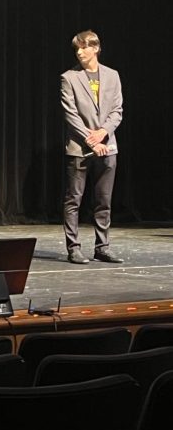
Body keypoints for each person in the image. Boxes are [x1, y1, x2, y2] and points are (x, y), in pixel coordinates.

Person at [61, 29, 124, 264]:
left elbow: (117, 111)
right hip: (80, 147)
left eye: (84, 47)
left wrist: (103, 134)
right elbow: (71, 115)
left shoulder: (112, 76)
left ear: (96, 48)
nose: (80, 52)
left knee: (103, 200)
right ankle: (74, 247)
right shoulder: (69, 78)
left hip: (108, 146)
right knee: (73, 199)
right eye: (77, 48)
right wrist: (91, 140)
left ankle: (102, 246)